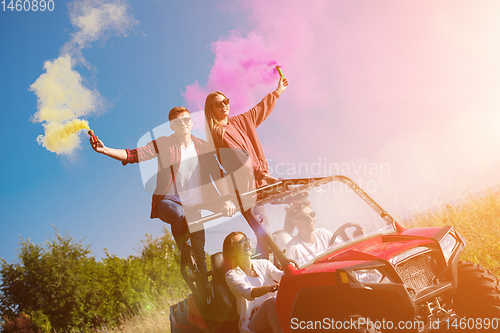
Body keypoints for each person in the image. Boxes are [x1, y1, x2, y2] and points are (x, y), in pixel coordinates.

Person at [90, 106, 236, 279]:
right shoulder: (165, 143)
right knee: (180, 214)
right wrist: (105, 149)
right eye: (178, 121)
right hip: (169, 200)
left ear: (191, 122)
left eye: (186, 119)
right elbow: (135, 155)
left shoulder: (202, 147)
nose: (183, 123)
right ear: (172, 126)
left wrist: (226, 201)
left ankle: (203, 274)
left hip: (195, 204)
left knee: (197, 232)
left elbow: (218, 174)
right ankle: (186, 254)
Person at [204, 76, 289, 206]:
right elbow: (240, 159)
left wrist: (278, 91)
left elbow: (259, 110)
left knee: (293, 198)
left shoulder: (239, 122)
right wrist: (263, 175)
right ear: (211, 109)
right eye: (218, 104)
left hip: (262, 183)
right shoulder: (218, 133)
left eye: (225, 101)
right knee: (263, 222)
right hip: (247, 191)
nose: (224, 105)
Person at [223, 231, 283, 333]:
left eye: (246, 240)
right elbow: (248, 292)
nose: (247, 243)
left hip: (278, 307)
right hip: (253, 320)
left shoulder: (264, 263)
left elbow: (281, 276)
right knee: (270, 303)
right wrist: (270, 288)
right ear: (232, 252)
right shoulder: (231, 275)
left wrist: (289, 268)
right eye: (241, 242)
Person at [285, 200, 333, 266]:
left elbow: (344, 251)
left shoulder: (324, 233)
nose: (311, 219)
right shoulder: (292, 248)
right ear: (294, 223)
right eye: (305, 217)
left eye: (312, 214)